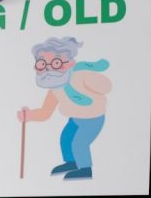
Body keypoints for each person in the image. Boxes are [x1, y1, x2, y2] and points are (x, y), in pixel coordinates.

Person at [17, 37, 111, 181]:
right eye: (43, 63)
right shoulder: (55, 88)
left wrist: (94, 81)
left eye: (55, 62)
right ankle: (72, 163)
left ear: (69, 62)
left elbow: (106, 86)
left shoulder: (81, 76)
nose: (48, 67)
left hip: (93, 119)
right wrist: (29, 116)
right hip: (75, 119)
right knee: (66, 139)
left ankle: (85, 169)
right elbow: (45, 112)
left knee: (79, 143)